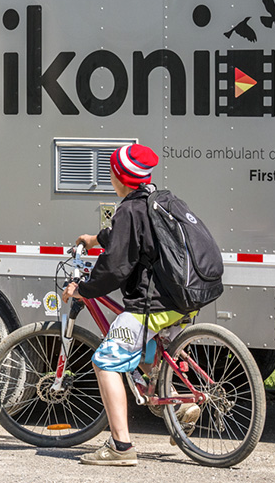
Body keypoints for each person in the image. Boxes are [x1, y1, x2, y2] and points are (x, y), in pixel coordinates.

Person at [61, 144, 199, 466]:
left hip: (155, 305)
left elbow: (114, 268)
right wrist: (96, 239)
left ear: (118, 177)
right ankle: (176, 405)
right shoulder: (159, 200)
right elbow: (132, 236)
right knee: (145, 355)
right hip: (184, 299)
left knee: (106, 360)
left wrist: (84, 289)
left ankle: (120, 447)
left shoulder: (129, 210)